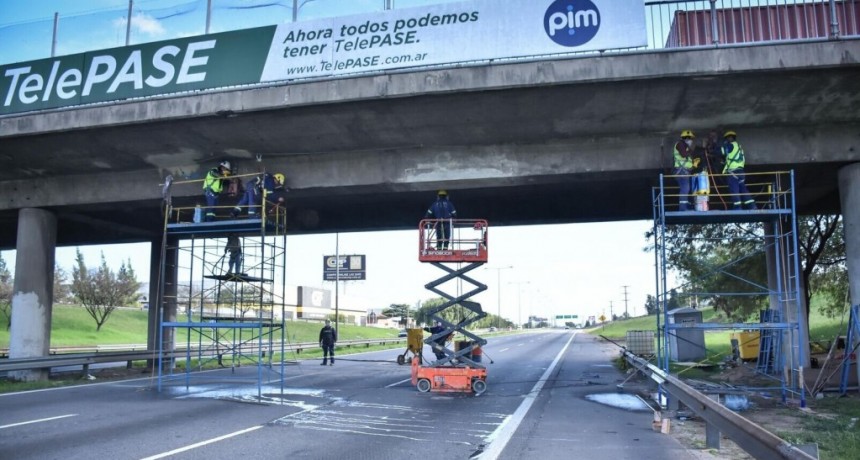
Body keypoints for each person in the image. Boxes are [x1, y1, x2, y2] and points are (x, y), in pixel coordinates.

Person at [721, 130, 756, 210]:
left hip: (733, 172)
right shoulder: (739, 147)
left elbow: (721, 152)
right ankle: (752, 205)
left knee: (734, 190)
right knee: (743, 189)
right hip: (741, 172)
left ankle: (737, 207)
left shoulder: (730, 146)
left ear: (728, 138)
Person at [672, 130, 695, 211]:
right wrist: (689, 150)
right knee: (685, 188)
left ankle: (686, 205)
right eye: (689, 139)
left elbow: (690, 154)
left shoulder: (685, 147)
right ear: (686, 139)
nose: (691, 141)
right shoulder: (680, 144)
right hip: (681, 171)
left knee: (687, 188)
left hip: (685, 172)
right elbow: (684, 154)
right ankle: (682, 207)